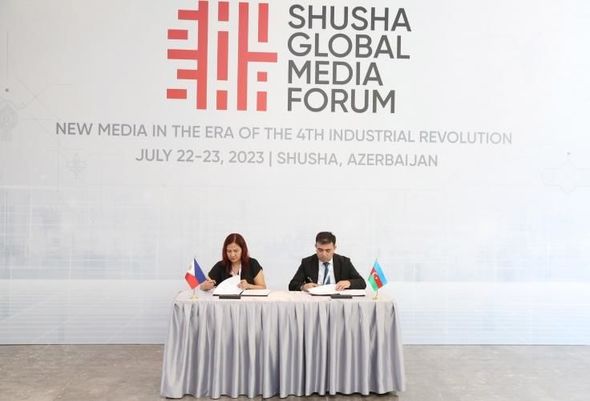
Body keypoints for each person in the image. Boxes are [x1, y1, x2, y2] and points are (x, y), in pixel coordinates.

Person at [289, 231, 366, 291]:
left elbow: (362, 283)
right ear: (316, 247)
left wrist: (349, 283)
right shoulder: (307, 262)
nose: (324, 254)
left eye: (328, 250)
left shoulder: (344, 262)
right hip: (315, 300)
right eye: (320, 250)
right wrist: (303, 287)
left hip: (337, 299)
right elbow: (292, 285)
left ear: (334, 248)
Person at [199, 233, 266, 291]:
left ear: (243, 250)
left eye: (235, 251)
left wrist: (249, 286)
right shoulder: (220, 265)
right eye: (229, 251)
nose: (232, 255)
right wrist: (206, 286)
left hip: (248, 301)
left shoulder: (253, 263)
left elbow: (263, 287)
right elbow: (202, 287)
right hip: (225, 302)